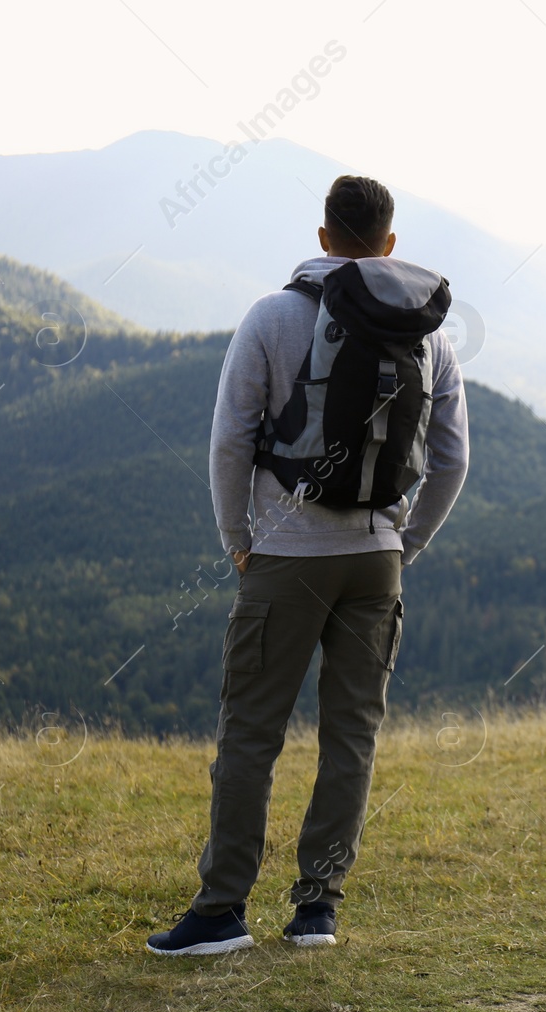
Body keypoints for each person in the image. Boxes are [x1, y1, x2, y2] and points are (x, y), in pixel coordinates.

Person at [147, 175, 469, 955]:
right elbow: (454, 459)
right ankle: (317, 909)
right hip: (377, 562)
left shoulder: (274, 316)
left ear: (323, 237)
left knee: (252, 734)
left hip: (285, 555)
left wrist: (238, 537)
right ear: (388, 245)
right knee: (351, 735)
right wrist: (406, 540)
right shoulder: (429, 333)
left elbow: (231, 439)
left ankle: (223, 910)